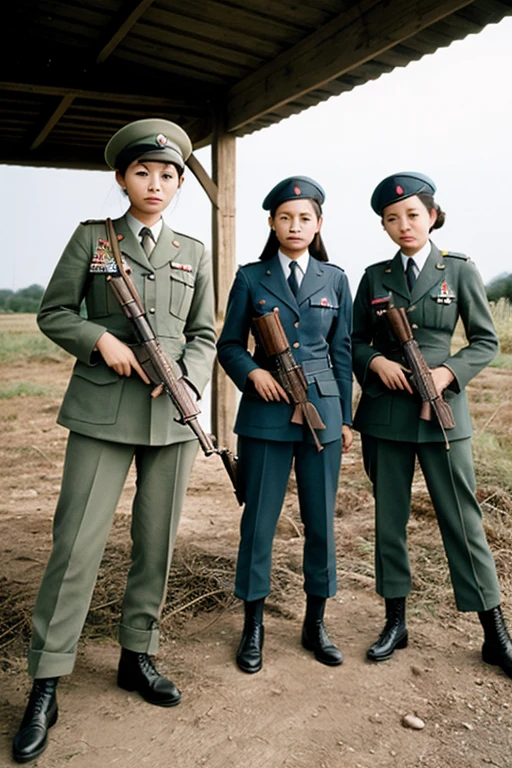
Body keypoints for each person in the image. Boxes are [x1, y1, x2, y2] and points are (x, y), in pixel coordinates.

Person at [12, 118, 216, 763]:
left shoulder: (194, 249)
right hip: (101, 410)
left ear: (180, 182)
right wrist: (101, 341)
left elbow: (205, 332)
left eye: (168, 175)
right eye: (142, 173)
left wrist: (188, 376)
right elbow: (54, 312)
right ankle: (46, 681)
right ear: (122, 177)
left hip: (172, 417)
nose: (155, 184)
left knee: (155, 545)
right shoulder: (92, 240)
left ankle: (138, 655)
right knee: (75, 545)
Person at [352, 171, 512, 677]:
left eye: (413, 215)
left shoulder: (459, 270)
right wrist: (374, 363)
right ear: (384, 226)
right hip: (387, 413)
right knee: (389, 522)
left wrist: (447, 372)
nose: (404, 225)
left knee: (463, 521)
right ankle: (395, 623)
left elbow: (486, 342)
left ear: (433, 216)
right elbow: (354, 340)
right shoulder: (374, 276)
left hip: (443, 415)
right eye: (392, 219)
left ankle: (495, 632)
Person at [217, 176, 353, 674]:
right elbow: (228, 345)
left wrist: (346, 420)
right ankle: (253, 626)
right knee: (258, 525)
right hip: (266, 414)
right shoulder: (251, 278)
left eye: (305, 218)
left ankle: (315, 621)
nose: (295, 226)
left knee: (320, 523)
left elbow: (341, 352)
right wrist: (253, 375)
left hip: (322, 414)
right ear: (272, 224)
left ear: (318, 224)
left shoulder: (335, 279)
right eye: (285, 217)